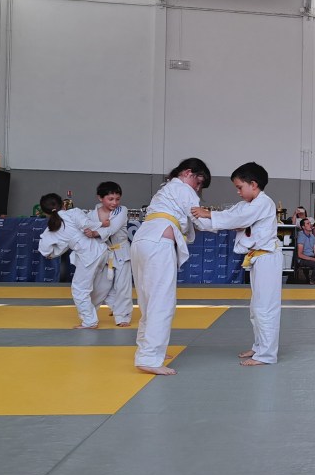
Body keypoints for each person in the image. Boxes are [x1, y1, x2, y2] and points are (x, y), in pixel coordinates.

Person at [192, 162, 281, 366]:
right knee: (256, 308)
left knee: (265, 307)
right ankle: (259, 347)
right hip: (258, 258)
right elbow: (229, 220)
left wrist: (208, 213)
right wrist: (194, 218)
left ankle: (267, 354)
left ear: (253, 184)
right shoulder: (244, 206)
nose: (238, 192)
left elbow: (235, 219)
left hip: (268, 258)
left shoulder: (264, 203)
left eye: (240, 187)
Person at [131, 158, 211, 376]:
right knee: (162, 300)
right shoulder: (183, 189)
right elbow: (200, 220)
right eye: (198, 182)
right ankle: (149, 357)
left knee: (148, 300)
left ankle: (148, 349)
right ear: (188, 173)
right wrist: (232, 221)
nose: (197, 189)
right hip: (159, 243)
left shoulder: (165, 190)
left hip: (142, 241)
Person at [37, 193, 111, 329]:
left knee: (79, 289)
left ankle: (89, 321)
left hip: (88, 257)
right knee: (99, 286)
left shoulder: (51, 228)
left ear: (45, 213)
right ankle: (110, 311)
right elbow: (88, 225)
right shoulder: (74, 212)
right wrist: (101, 224)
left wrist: (52, 254)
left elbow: (45, 249)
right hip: (101, 250)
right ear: (63, 204)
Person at [82, 181, 133, 327]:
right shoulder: (91, 215)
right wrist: (90, 231)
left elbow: (112, 228)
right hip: (103, 252)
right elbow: (84, 228)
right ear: (100, 198)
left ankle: (123, 317)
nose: (114, 203)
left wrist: (95, 232)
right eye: (110, 199)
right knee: (100, 287)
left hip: (121, 251)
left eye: (117, 199)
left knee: (123, 286)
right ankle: (89, 316)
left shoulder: (121, 210)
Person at [296, 218, 315, 283]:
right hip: (303, 259)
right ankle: (313, 281)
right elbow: (300, 255)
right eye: (308, 223)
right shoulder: (301, 235)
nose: (310, 225)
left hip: (311, 257)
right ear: (303, 227)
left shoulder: (312, 236)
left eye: (310, 223)